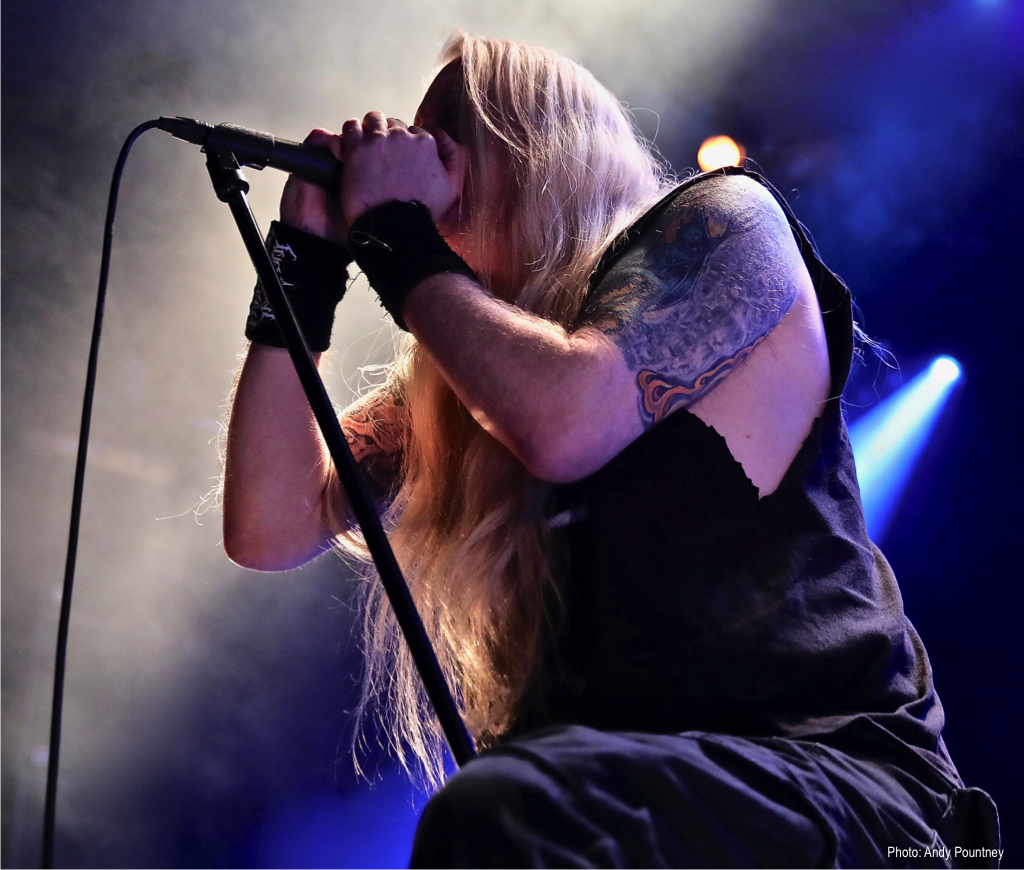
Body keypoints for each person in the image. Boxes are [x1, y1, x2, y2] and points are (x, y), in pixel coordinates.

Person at [221, 33, 1000, 868]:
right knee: (504, 810)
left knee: (502, 809)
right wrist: (304, 265)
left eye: (446, 138)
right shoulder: (474, 382)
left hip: (842, 785)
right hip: (637, 791)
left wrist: (394, 230)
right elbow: (271, 523)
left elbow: (566, 422)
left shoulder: (724, 224)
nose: (417, 159)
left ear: (533, 148)